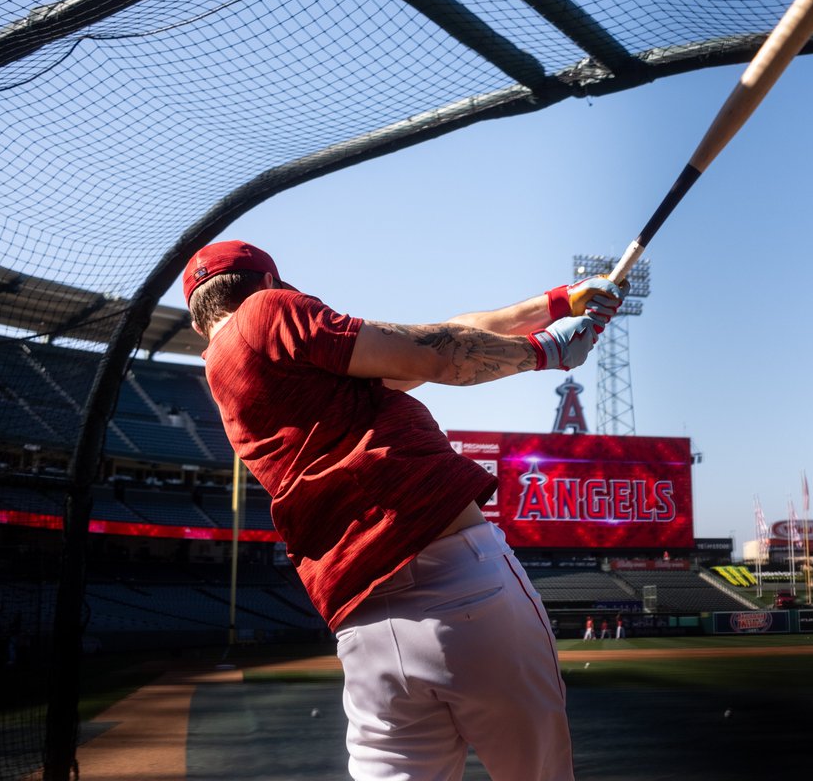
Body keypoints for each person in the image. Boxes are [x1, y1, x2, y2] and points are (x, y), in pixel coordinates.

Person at [184, 240, 624, 781]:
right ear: (269, 283)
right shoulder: (266, 311)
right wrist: (545, 352)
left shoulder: (229, 370)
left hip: (363, 626)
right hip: (460, 582)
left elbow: (442, 333)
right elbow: (436, 356)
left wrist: (558, 301)